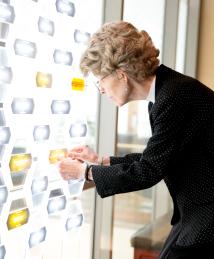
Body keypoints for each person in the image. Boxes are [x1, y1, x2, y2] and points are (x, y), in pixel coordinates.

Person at [59, 21, 214, 258]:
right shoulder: (167, 90)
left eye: (100, 79)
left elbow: (149, 171)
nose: (100, 89)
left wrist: (85, 172)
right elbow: (156, 158)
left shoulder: (174, 96)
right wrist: (101, 160)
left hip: (207, 221)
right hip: (195, 215)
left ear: (121, 74)